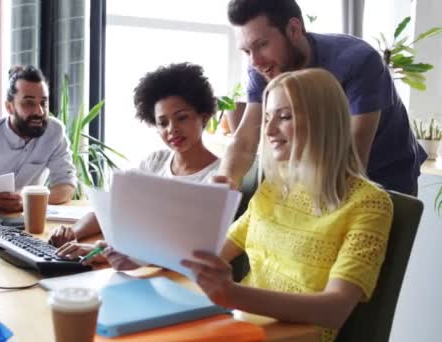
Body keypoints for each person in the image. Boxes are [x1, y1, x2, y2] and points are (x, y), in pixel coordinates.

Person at [179, 69, 393, 342]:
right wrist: (141, 253)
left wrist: (232, 294)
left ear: (323, 121)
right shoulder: (275, 187)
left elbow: (335, 309)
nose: (267, 130)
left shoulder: (369, 204)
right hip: (238, 326)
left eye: (284, 117)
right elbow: (217, 251)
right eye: (267, 117)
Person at [220, 0, 426, 195]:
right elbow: (245, 142)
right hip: (317, 175)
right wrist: (223, 188)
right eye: (247, 51)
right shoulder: (263, 66)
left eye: (262, 44)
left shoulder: (357, 62)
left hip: (384, 175)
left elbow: (353, 160)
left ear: (294, 29)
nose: (255, 61)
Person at [49, 62, 221, 258]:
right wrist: (73, 234)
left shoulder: (218, 176)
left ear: (204, 117)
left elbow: (186, 248)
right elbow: (112, 209)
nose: (171, 129)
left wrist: (108, 253)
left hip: (177, 276)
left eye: (181, 118)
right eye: (162, 123)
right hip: (136, 269)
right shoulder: (156, 162)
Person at [0, 65, 76, 211]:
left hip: (28, 218)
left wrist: (27, 201)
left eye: (43, 102)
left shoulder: (54, 132)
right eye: (29, 103)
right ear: (9, 107)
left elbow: (66, 185)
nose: (39, 111)